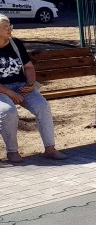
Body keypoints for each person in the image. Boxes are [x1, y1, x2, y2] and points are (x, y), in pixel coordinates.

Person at [0, 14, 67, 163]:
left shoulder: (15, 43)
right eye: (5, 27)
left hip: (22, 86)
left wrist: (30, 83)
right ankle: (12, 152)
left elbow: (28, 67)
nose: (10, 29)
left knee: (42, 106)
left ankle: (50, 149)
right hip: (2, 90)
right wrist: (10, 93)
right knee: (8, 111)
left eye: (10, 25)